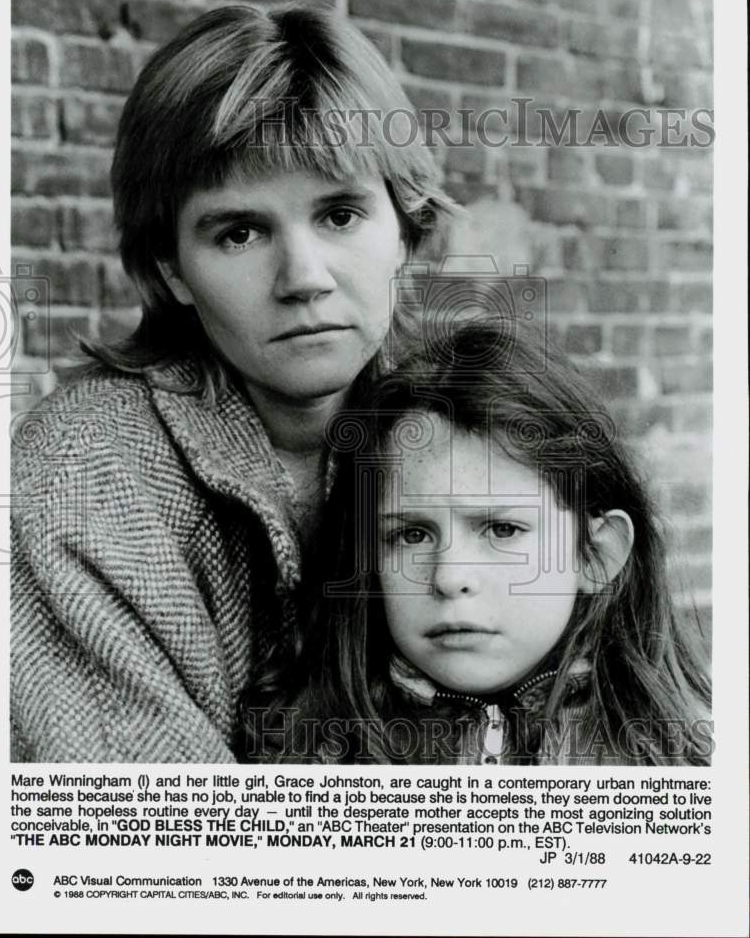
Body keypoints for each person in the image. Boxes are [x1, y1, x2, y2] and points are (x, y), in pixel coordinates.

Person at [10, 3, 454, 761]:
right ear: (170, 271)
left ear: (404, 230)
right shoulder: (82, 472)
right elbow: (165, 847)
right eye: (239, 233)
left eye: (341, 214)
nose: (304, 278)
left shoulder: (477, 429)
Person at [243, 319, 712, 765]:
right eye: (411, 534)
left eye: (502, 530)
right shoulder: (307, 751)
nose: (449, 577)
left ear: (595, 554)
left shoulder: (688, 754)